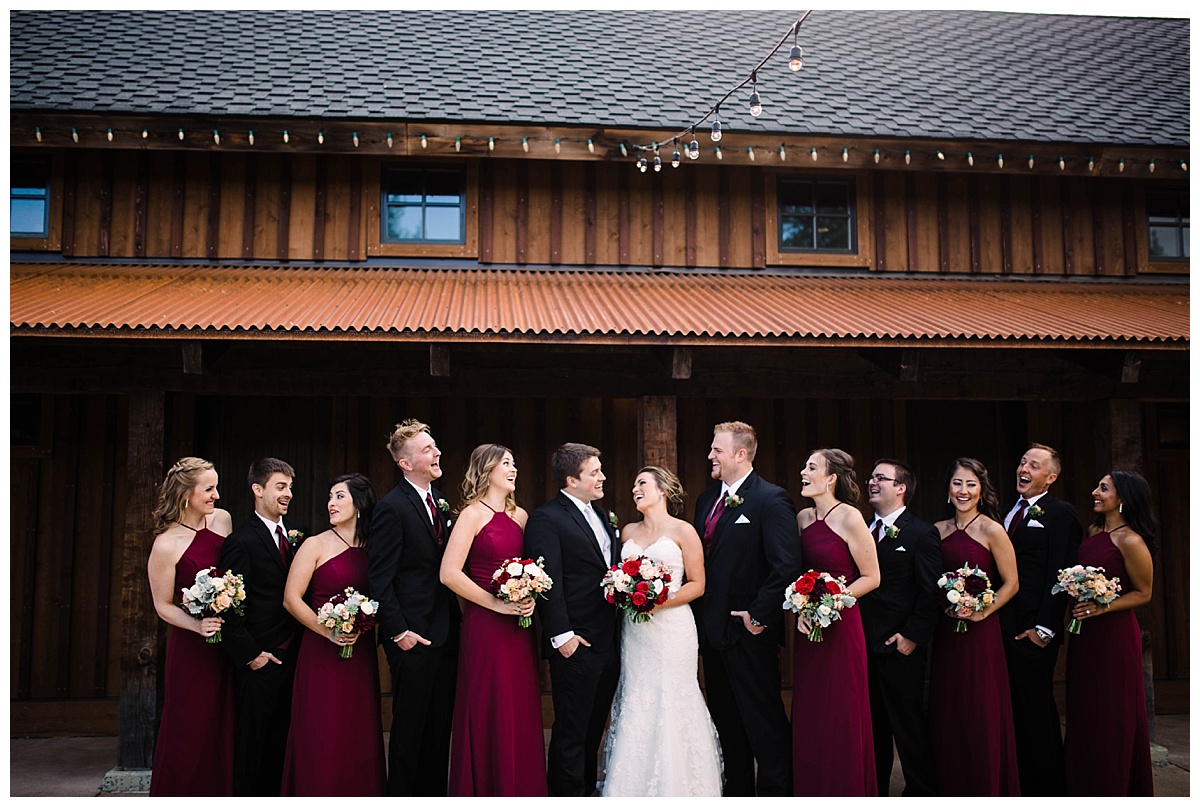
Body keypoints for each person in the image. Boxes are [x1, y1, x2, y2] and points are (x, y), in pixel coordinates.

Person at [691, 421, 801, 796]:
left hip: (749, 633)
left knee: (764, 723)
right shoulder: (706, 501)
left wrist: (757, 614)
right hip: (712, 632)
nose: (710, 455)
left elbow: (785, 565)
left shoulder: (771, 499)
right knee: (726, 723)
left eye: (717, 450)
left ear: (740, 454)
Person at [602, 466, 723, 797]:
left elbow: (698, 585)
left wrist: (659, 603)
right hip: (635, 633)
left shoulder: (684, 531)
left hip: (672, 629)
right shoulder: (626, 532)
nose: (635, 489)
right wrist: (625, 592)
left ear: (662, 490)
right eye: (633, 484)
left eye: (642, 483)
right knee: (637, 698)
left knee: (672, 696)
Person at [440, 445, 547, 797]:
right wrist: (495, 605)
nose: (513, 469)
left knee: (518, 708)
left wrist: (529, 595)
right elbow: (449, 573)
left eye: (515, 463)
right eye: (506, 463)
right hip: (485, 628)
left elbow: (531, 570)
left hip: (519, 628)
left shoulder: (521, 517)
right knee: (489, 706)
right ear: (486, 470)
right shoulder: (472, 515)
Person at [365, 419, 459, 797]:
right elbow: (379, 577)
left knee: (439, 727)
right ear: (406, 463)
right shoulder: (392, 508)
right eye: (427, 449)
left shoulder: (439, 501)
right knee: (409, 730)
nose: (437, 453)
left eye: (435, 446)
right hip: (412, 636)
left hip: (446, 631)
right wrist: (398, 632)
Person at [280, 473, 386, 796]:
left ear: (359, 503)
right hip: (321, 652)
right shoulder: (314, 544)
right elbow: (291, 599)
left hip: (360, 653)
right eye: (330, 497)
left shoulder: (374, 547)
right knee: (322, 730)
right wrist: (328, 631)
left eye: (339, 496)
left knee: (357, 730)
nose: (331, 503)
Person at [524, 442, 620, 797]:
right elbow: (549, 580)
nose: (602, 477)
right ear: (570, 479)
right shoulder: (547, 518)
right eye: (594, 472)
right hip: (574, 641)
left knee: (593, 727)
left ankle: (584, 791)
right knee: (570, 732)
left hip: (608, 640)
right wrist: (562, 635)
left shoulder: (603, 515)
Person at [929, 458, 1021, 796]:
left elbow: (1011, 583)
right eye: (957, 483)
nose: (963, 491)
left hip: (982, 634)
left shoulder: (993, 530)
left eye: (970, 484)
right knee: (949, 708)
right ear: (948, 489)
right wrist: (945, 604)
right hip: (947, 632)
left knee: (981, 707)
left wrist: (983, 612)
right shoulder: (937, 531)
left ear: (981, 489)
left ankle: (986, 786)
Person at [792, 449, 880, 796]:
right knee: (812, 711)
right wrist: (804, 608)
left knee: (841, 710)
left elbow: (872, 577)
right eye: (805, 465)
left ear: (831, 478)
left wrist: (830, 603)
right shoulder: (801, 518)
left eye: (811, 467)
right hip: (808, 629)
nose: (803, 471)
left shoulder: (850, 518)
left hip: (842, 627)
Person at [146, 457, 235, 796]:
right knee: (190, 724)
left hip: (226, 641)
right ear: (186, 495)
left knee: (224, 722)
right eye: (209, 489)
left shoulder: (223, 520)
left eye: (216, 487)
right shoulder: (166, 544)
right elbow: (162, 605)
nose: (216, 495)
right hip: (192, 648)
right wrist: (197, 626)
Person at [1064, 470, 1155, 795]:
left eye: (1103, 488)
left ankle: (1114, 788)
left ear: (1124, 498)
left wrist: (1104, 606)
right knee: (1086, 712)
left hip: (1115, 638)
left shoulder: (1131, 540)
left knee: (1112, 715)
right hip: (1085, 637)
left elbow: (1143, 593)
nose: (1095, 492)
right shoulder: (1092, 532)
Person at [218, 457, 305, 796]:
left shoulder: (298, 535)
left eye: (290, 487)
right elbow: (229, 607)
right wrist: (252, 655)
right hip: (261, 661)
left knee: (285, 742)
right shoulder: (240, 542)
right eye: (280, 487)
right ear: (258, 490)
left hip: (296, 656)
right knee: (254, 745)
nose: (288, 494)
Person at [998, 443, 1081, 796]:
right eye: (1021, 462)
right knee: (1012, 709)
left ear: (1051, 476)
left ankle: (1049, 789)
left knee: (1037, 709)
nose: (1024, 468)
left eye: (1034, 464)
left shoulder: (1061, 513)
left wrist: (1045, 627)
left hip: (1035, 629)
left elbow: (1061, 570)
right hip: (1002, 626)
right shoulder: (1005, 512)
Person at [858, 458, 941, 796]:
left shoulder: (921, 533)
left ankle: (922, 793)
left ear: (901, 487)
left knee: (908, 727)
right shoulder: (859, 528)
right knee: (872, 728)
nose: (872, 482)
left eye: (881, 478)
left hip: (900, 647)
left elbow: (930, 591)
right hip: (863, 644)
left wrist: (912, 636)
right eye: (871, 477)